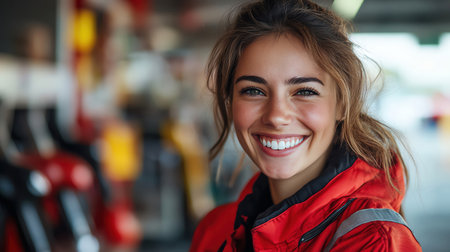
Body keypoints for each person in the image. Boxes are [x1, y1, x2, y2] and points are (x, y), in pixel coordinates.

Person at [190, 0, 421, 251]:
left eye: (305, 91)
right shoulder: (215, 230)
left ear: (342, 104)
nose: (276, 116)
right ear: (230, 100)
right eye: (254, 90)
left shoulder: (373, 241)